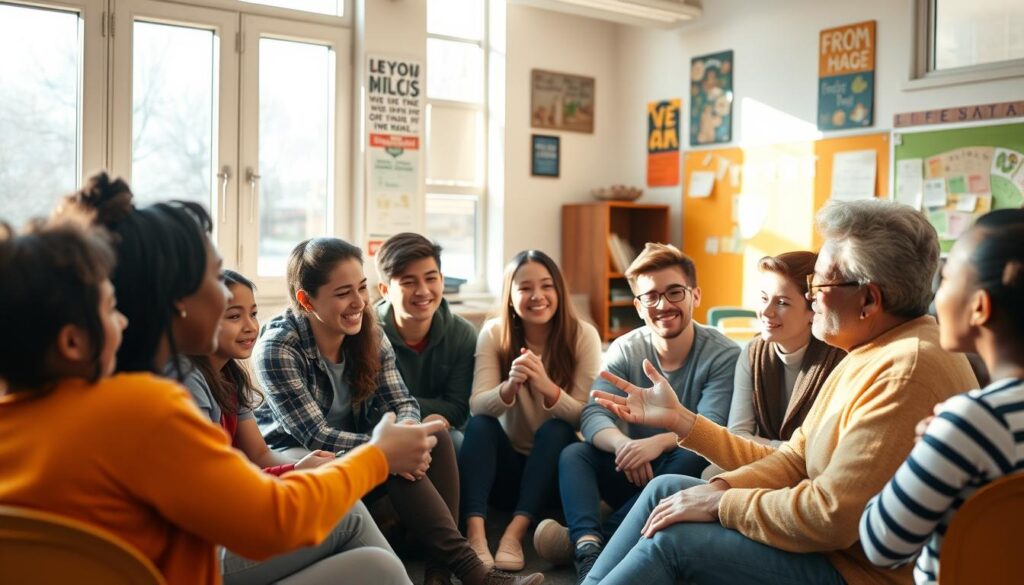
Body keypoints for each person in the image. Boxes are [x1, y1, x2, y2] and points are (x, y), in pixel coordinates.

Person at [0, 175, 439, 585]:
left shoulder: (28, 413)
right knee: (363, 545)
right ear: (174, 303)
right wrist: (378, 456)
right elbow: (273, 520)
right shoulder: (144, 408)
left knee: (376, 565)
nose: (228, 293)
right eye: (213, 277)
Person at [584, 199, 979, 585]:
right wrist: (684, 424)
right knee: (665, 490)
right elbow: (794, 460)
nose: (809, 296)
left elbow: (831, 518)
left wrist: (721, 502)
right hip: (829, 550)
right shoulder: (870, 350)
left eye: (819, 282)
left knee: (675, 541)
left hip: (855, 571)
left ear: (869, 299)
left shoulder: (904, 369)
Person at [254, 236, 543, 585]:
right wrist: (389, 449)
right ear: (306, 299)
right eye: (343, 292)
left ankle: (438, 573)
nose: (359, 302)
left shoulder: (369, 332)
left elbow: (403, 402)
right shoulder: (278, 347)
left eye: (361, 288)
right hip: (301, 455)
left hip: (354, 450)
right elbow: (317, 434)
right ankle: (475, 574)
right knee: (394, 455)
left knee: (435, 433)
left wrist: (407, 432)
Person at [184, 269, 407, 584]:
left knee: (378, 565)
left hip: (230, 520)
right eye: (234, 316)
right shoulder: (187, 383)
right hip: (199, 549)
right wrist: (295, 472)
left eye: (253, 313)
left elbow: (260, 456)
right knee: (343, 510)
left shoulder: (231, 377)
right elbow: (210, 492)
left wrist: (307, 468)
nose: (250, 326)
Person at [533, 243, 739, 584]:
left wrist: (656, 444)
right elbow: (593, 415)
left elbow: (711, 425)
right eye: (651, 297)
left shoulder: (723, 354)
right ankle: (586, 545)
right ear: (639, 307)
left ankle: (593, 542)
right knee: (575, 453)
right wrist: (622, 445)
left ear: (695, 295)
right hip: (632, 469)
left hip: (674, 472)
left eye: (675, 292)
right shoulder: (626, 348)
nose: (663, 305)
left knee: (693, 458)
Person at [860, 208, 1024, 585]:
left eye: (947, 278)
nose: (936, 292)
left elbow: (882, 543)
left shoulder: (972, 422)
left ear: (979, 307)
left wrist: (930, 446)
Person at [461, 250, 602, 571]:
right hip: (505, 474)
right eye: (525, 288)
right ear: (510, 296)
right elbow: (476, 404)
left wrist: (547, 388)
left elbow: (587, 416)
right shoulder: (494, 332)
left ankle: (514, 533)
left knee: (558, 430)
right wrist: (510, 387)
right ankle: (476, 535)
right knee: (481, 424)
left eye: (546, 286)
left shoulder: (583, 335)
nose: (537, 296)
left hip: (550, 476)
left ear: (559, 291)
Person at [723, 252, 845, 448]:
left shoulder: (838, 359)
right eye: (764, 298)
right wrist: (785, 451)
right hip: (769, 461)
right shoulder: (753, 353)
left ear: (813, 311)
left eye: (782, 303)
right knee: (709, 472)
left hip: (814, 470)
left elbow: (824, 447)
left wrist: (768, 447)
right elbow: (736, 435)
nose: (766, 311)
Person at [374, 233, 477, 450]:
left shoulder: (462, 334)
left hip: (438, 429)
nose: (423, 291)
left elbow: (458, 409)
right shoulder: (367, 335)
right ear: (385, 290)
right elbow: (367, 407)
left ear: (441, 279)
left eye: (431, 278)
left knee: (454, 440)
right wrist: (426, 410)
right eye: (409, 282)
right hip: (380, 432)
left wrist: (397, 405)